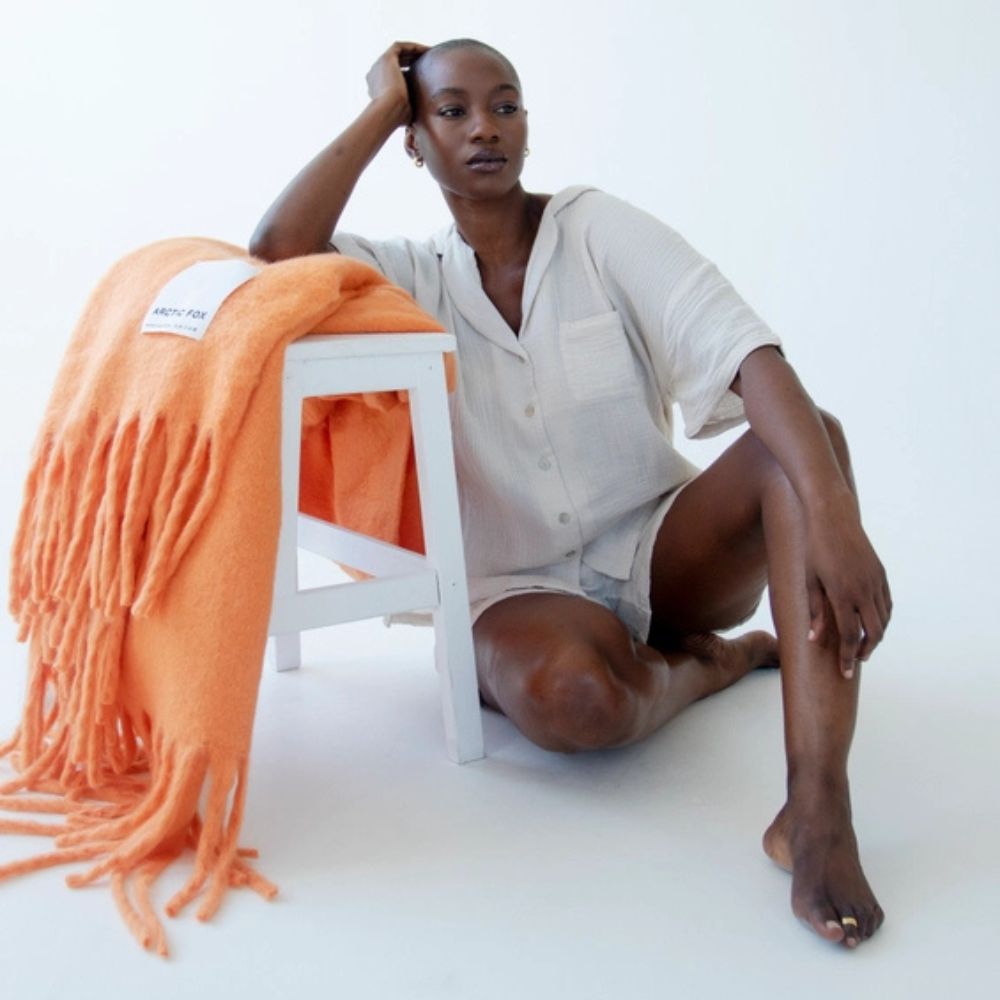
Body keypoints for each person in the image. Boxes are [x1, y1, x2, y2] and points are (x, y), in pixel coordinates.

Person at [249, 38, 891, 949]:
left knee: (809, 443)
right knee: (579, 702)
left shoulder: (594, 229)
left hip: (664, 551)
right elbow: (277, 252)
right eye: (451, 111)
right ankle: (711, 664)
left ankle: (818, 809)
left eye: (505, 105)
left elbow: (747, 354)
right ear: (415, 139)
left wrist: (835, 519)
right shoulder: (405, 276)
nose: (484, 128)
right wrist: (378, 107)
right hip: (514, 591)